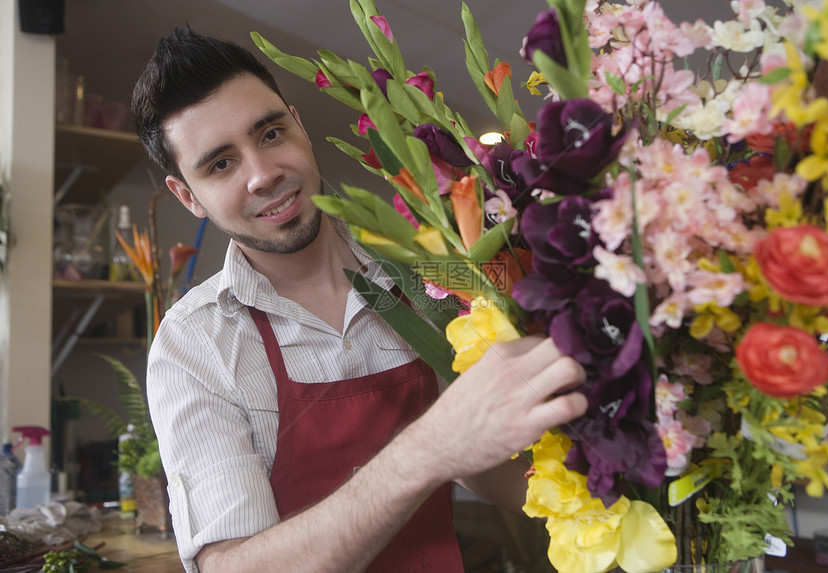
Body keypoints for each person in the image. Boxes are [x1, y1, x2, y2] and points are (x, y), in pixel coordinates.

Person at [132, 26, 588, 573]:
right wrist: (428, 449)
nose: (263, 174)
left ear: (298, 124)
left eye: (271, 134)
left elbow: (476, 460)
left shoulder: (430, 268)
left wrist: (603, 498)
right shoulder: (194, 344)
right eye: (220, 164)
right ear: (187, 195)